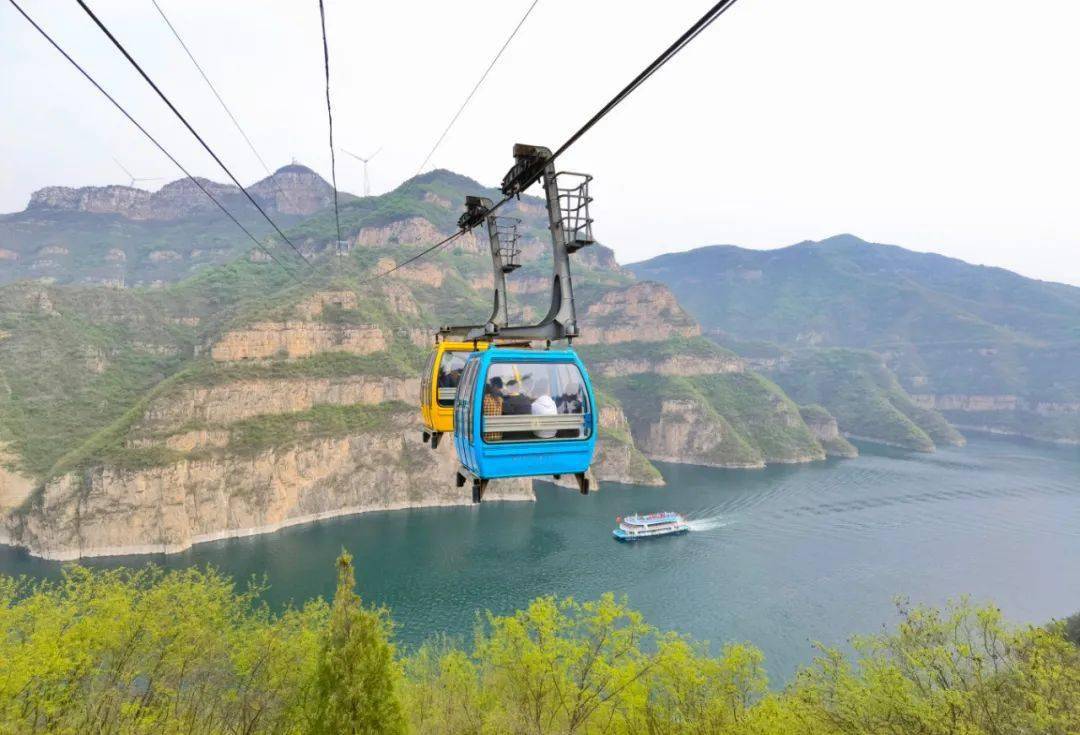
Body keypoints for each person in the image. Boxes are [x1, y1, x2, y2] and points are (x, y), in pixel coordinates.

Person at [482, 376, 504, 442]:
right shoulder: (486, 399)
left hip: (493, 437)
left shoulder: (501, 401)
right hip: (492, 437)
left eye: (492, 385)